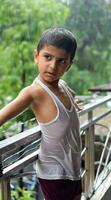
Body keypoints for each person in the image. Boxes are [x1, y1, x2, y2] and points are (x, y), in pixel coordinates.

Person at [0, 28, 82, 200]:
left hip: (73, 166)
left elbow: (70, 96)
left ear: (69, 65)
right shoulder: (34, 93)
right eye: (48, 57)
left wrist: (74, 104)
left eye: (61, 61)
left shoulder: (64, 87)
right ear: (36, 56)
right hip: (54, 173)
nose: (53, 66)